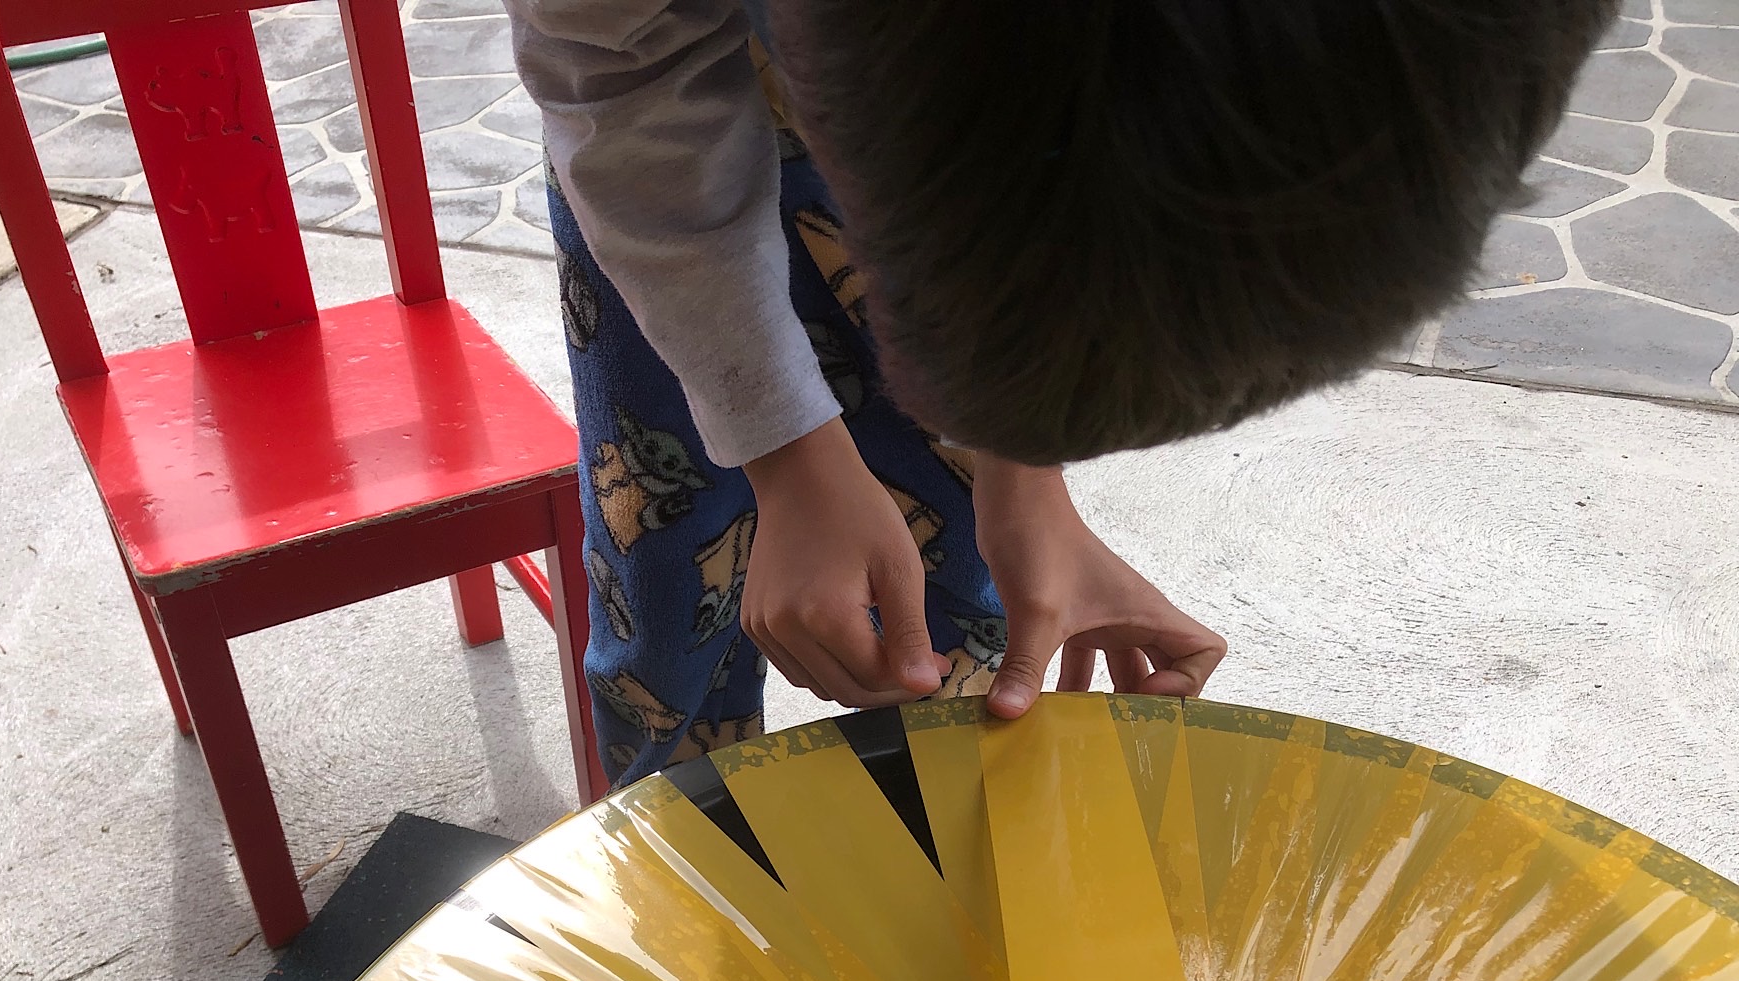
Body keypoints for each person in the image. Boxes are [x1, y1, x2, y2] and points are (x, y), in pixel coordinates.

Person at [505, 0, 1614, 787]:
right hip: (650, 196)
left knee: (975, 614)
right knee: (667, 600)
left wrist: (1023, 476)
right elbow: (621, 73)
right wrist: (780, 443)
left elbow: (1038, 222)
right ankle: (675, 878)